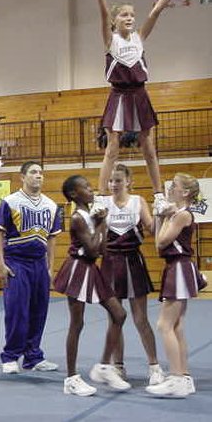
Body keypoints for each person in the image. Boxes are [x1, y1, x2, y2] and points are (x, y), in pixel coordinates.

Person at [89, 0, 188, 206]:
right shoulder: (110, 40)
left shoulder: (139, 37)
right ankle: (100, 197)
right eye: (124, 15)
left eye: (132, 15)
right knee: (112, 147)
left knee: (148, 147)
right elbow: (103, 13)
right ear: (115, 21)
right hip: (119, 94)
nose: (130, 18)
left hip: (140, 93)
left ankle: (158, 195)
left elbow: (156, 10)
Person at [53, 175, 129, 396]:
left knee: (119, 314)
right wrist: (102, 223)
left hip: (91, 268)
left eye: (89, 185)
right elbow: (94, 249)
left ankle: (104, 366)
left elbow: (101, 250)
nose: (91, 189)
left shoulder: (90, 216)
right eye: (85, 187)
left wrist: (98, 224)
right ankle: (71, 378)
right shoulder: (78, 218)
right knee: (77, 323)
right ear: (74, 194)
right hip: (77, 269)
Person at [95, 163, 164, 386]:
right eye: (111, 180)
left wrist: (160, 213)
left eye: (118, 180)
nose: (113, 184)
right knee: (115, 319)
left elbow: (152, 229)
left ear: (128, 181)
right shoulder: (102, 203)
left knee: (140, 319)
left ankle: (154, 367)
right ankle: (118, 366)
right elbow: (95, 236)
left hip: (133, 262)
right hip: (109, 263)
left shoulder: (138, 202)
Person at [0, 161, 62, 374]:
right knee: (17, 310)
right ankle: (10, 356)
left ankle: (33, 356)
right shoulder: (10, 202)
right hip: (16, 261)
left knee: (39, 311)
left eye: (41, 172)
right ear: (22, 177)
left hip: (39, 263)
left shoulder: (51, 205)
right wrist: (0, 265)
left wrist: (50, 267)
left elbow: (52, 239)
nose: (38, 175)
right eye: (33, 172)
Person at [146, 173, 206, 398]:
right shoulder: (178, 214)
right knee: (177, 325)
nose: (170, 188)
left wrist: (163, 216)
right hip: (177, 266)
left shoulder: (182, 215)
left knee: (164, 325)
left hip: (179, 267)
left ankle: (176, 378)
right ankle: (184, 376)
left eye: (175, 186)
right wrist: (162, 216)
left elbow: (161, 242)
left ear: (185, 192)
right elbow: (159, 244)